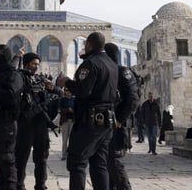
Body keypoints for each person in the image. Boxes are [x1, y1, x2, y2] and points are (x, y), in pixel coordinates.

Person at [56, 32, 118, 190]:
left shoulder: (90, 64)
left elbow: (83, 90)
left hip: (89, 123)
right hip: (107, 121)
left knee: (77, 162)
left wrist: (67, 82)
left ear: (89, 45)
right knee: (99, 164)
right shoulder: (112, 64)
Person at [15, 51, 62, 190]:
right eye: (33, 64)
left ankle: (41, 185)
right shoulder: (19, 77)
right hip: (25, 123)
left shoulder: (41, 79)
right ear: (26, 63)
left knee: (41, 158)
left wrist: (53, 88)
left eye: (37, 64)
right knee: (21, 157)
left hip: (41, 123)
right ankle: (19, 185)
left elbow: (59, 93)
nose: (36, 67)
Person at [0, 44, 24, 190]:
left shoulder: (13, 75)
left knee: (7, 161)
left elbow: (11, 98)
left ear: (4, 56)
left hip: (7, 123)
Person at [104, 43, 139, 190]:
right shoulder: (109, 72)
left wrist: (120, 119)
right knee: (107, 162)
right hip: (108, 124)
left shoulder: (123, 72)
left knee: (114, 162)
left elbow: (133, 99)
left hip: (118, 125)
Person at [59, 88, 75, 161]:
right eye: (66, 91)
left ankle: (71, 153)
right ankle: (64, 154)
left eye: (69, 91)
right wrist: (67, 110)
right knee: (64, 139)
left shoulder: (74, 100)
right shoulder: (62, 100)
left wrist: (73, 110)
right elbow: (60, 110)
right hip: (65, 120)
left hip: (72, 120)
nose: (68, 92)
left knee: (72, 139)